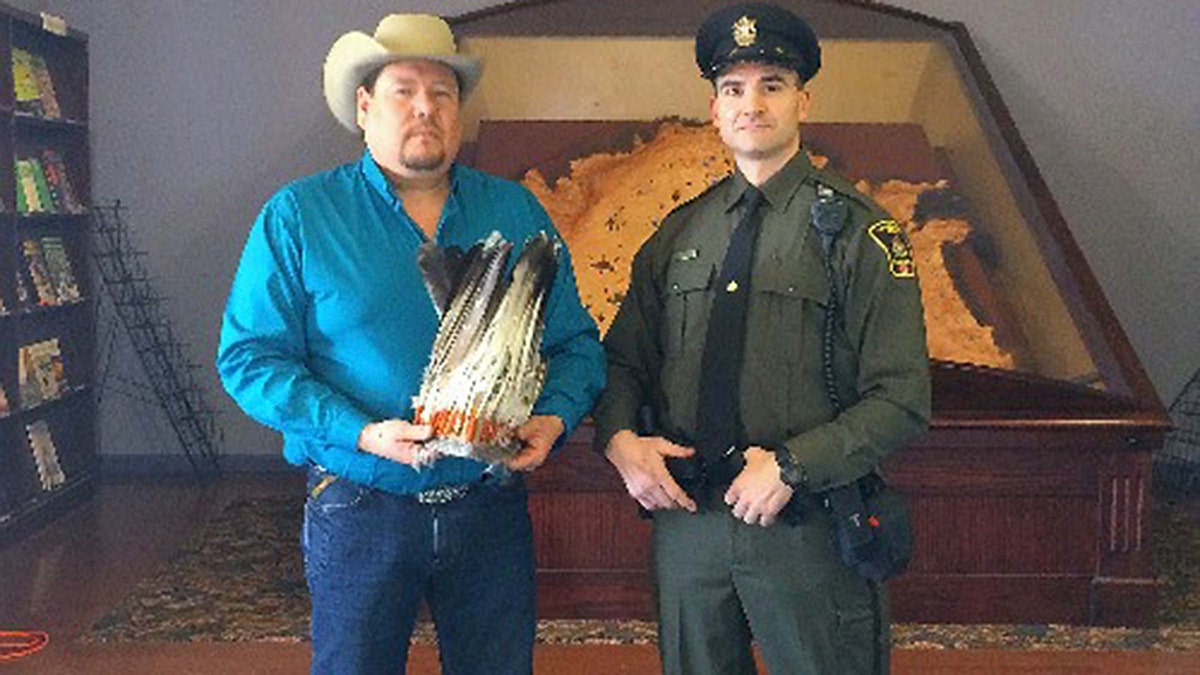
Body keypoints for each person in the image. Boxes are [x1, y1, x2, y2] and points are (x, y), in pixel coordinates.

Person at [216, 13, 604, 675]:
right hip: (358, 505)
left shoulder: (516, 212)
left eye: (443, 93)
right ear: (365, 107)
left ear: (458, 109)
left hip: (489, 508)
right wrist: (360, 432)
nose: (425, 107)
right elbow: (249, 359)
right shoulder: (299, 215)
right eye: (404, 90)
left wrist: (555, 416)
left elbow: (577, 344)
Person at [594, 3, 931, 674]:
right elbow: (625, 360)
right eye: (733, 88)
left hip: (802, 523)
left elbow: (902, 397)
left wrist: (792, 464)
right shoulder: (680, 234)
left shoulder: (861, 232)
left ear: (803, 100)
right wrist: (619, 439)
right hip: (689, 524)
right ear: (715, 109)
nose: (752, 103)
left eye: (771, 84)